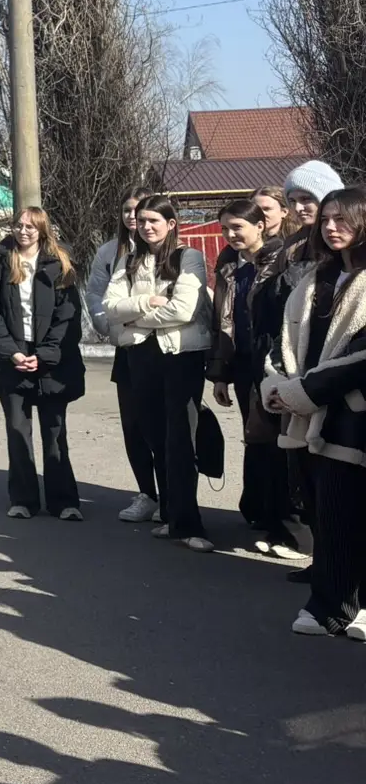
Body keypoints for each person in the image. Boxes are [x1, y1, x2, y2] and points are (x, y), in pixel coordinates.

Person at [263, 187, 366, 639]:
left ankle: (350, 605)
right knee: (322, 514)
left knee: (349, 512)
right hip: (304, 417)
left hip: (352, 416)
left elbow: (360, 358)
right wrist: (275, 386)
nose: (330, 227)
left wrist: (302, 391)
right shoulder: (315, 278)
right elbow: (282, 343)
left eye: (342, 219)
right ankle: (327, 602)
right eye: (326, 219)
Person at [104, 194, 215, 550]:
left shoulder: (188, 257)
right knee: (155, 436)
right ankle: (170, 515)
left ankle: (190, 525)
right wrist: (145, 302)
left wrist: (135, 319)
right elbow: (110, 306)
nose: (147, 226)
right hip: (141, 356)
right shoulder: (128, 260)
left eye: (154, 220)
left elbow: (183, 309)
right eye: (142, 220)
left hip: (180, 356)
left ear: (171, 223)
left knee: (180, 440)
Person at [204, 197, 298, 558]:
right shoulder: (230, 265)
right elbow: (223, 321)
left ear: (260, 226)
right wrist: (220, 373)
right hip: (243, 365)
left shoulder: (281, 260)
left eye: (237, 227)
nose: (230, 234)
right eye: (225, 228)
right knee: (256, 441)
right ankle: (262, 515)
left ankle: (286, 527)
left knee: (278, 445)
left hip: (273, 364)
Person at [0, 206, 85, 519]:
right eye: (19, 225)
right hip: (11, 357)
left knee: (54, 431)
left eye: (30, 226)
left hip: (52, 359)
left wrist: (45, 355)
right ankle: (23, 500)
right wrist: (12, 353)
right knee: (17, 430)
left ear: (42, 230)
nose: (23, 231)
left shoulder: (59, 266)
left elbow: (68, 317)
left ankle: (64, 502)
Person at [86, 190, 162, 522]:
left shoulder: (172, 251)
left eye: (141, 211)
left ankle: (172, 495)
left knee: (165, 426)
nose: (134, 217)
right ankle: (147, 493)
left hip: (164, 349)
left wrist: (135, 314)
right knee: (134, 425)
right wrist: (108, 325)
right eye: (128, 210)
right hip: (127, 350)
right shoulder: (110, 252)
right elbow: (98, 295)